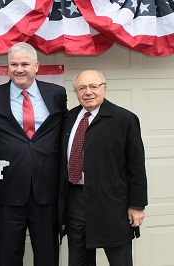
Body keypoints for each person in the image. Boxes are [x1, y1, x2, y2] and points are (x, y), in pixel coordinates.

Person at [0, 42, 67, 266]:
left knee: (47, 256)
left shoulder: (57, 94)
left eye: (24, 64)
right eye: (13, 64)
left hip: (46, 191)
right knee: (6, 257)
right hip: (6, 191)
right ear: (7, 67)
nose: (19, 69)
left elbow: (64, 134)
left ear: (36, 66)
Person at [58, 70, 148, 265]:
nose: (88, 92)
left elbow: (137, 167)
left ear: (104, 88)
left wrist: (137, 206)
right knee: (78, 261)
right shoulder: (69, 119)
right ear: (76, 92)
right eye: (82, 88)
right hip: (76, 203)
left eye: (93, 86)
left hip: (113, 205)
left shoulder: (124, 119)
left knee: (119, 261)